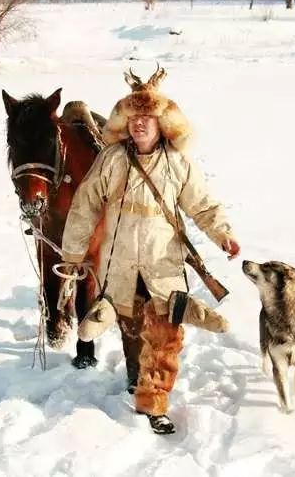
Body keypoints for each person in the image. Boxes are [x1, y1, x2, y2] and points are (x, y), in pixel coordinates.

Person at [61, 69, 240, 435]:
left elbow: (202, 204)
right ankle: (130, 367)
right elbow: (85, 205)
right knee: (131, 330)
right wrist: (74, 253)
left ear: (161, 123)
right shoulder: (111, 160)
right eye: (133, 117)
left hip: (164, 268)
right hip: (120, 266)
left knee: (164, 339)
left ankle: (153, 403)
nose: (139, 124)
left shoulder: (177, 163)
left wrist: (223, 234)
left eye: (147, 118)